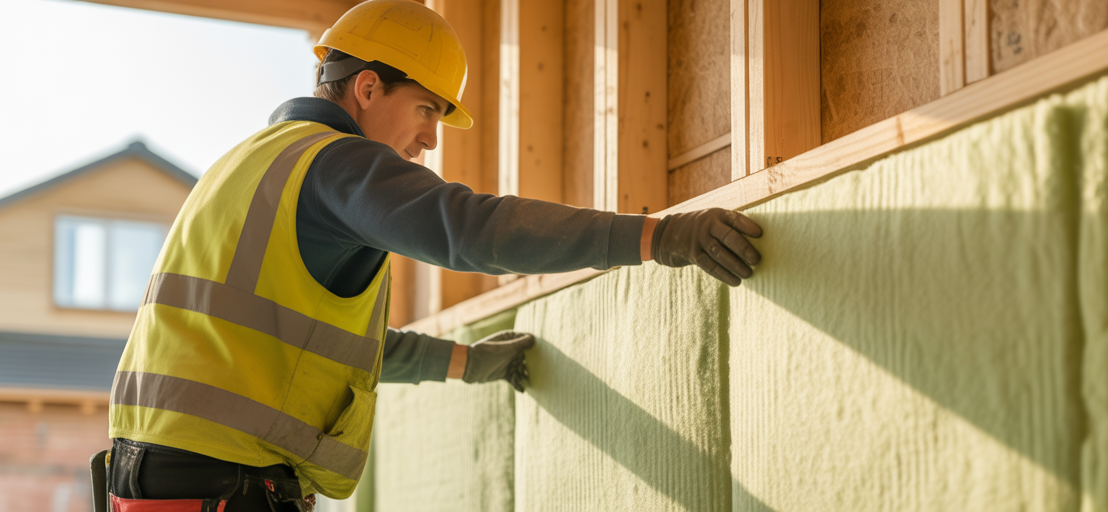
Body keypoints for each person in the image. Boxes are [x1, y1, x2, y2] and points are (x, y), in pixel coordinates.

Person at [102, 1, 763, 510]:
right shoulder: (334, 165)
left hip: (160, 476)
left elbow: (314, 343)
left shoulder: (246, 163)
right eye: (425, 108)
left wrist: (468, 364)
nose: (429, 139)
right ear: (366, 89)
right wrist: (658, 236)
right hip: (218, 480)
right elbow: (471, 229)